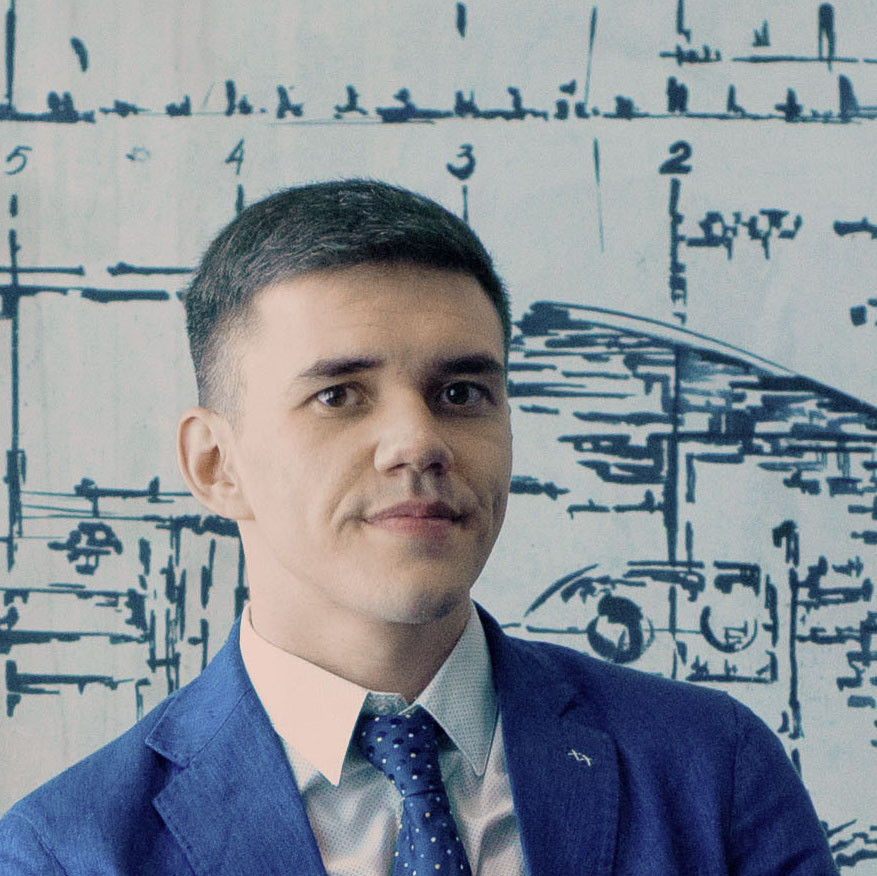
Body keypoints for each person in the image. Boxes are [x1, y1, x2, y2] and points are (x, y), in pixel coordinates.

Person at [0, 180, 837, 875]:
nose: (418, 442)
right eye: (338, 396)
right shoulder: (67, 853)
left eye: (460, 393)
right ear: (217, 464)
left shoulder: (710, 770)